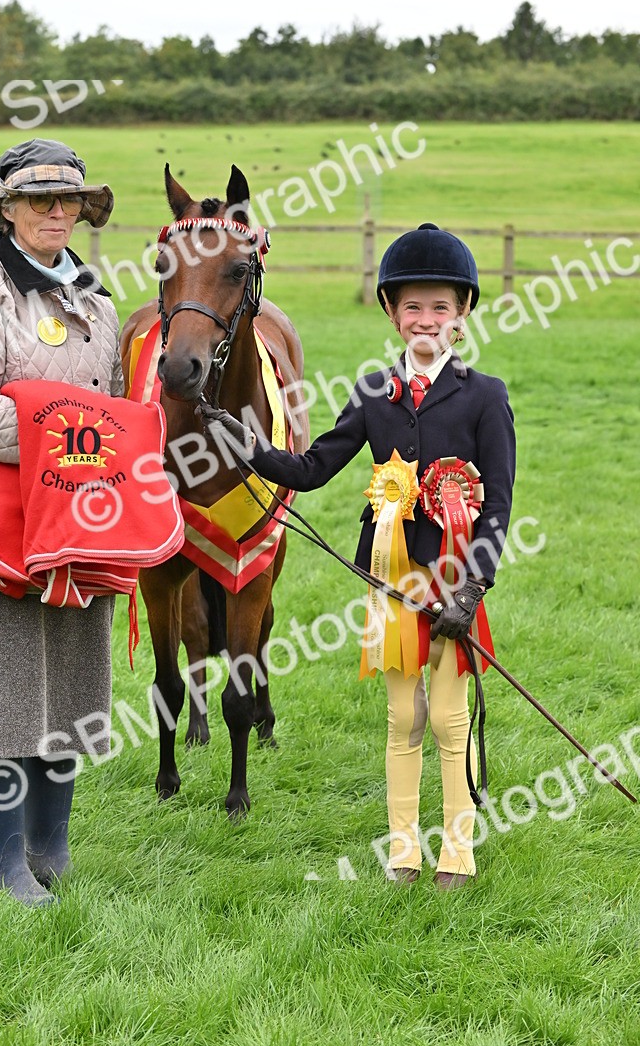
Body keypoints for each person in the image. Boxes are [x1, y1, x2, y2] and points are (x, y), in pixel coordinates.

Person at [200, 223, 516, 889]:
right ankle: (403, 850)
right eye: (412, 307)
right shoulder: (375, 393)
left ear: (462, 314)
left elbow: (498, 506)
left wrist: (473, 589)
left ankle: (457, 852)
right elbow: (313, 468)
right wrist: (248, 445)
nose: (425, 320)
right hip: (393, 579)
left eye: (439, 307)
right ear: (390, 312)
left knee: (451, 718)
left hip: (456, 583)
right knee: (405, 717)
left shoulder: (486, 396)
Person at [0, 138, 122, 906]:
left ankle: (53, 850)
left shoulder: (98, 303)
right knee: (7, 698)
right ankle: (3, 864)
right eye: (38, 198)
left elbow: (119, 413)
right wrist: (77, 443)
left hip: (81, 531)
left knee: (72, 690)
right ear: (5, 209)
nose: (55, 210)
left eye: (68, 199)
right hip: (1, 528)